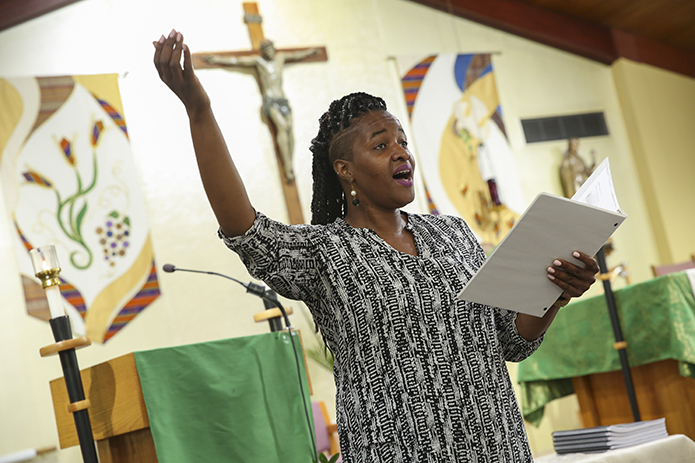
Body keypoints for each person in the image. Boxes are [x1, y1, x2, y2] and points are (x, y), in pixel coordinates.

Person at [154, 29, 599, 463]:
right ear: (345, 169)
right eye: (382, 145)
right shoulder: (325, 253)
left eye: (403, 142)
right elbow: (244, 229)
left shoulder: (454, 234)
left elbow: (509, 341)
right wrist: (199, 110)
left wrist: (555, 294)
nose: (401, 153)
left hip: (494, 443)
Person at [203, 39, 319, 182]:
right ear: (263, 52)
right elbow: (237, 60)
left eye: (271, 49)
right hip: (270, 101)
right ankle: (287, 165)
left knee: (289, 129)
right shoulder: (259, 62)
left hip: (283, 99)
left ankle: (290, 162)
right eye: (267, 50)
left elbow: (296, 55)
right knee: (282, 127)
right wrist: (217, 59)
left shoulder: (280, 58)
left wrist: (310, 52)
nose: (270, 52)